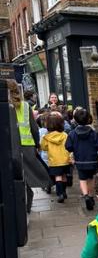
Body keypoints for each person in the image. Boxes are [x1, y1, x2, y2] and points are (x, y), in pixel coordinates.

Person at [8, 79, 50, 214]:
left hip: (11, 147)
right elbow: (34, 128)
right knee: (26, 175)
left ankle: (21, 204)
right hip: (27, 146)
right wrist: (37, 144)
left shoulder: (6, 107)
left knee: (15, 176)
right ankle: (26, 203)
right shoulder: (26, 106)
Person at [66, 106, 98, 211]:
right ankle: (90, 196)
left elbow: (68, 147)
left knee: (82, 179)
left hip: (80, 161)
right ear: (88, 119)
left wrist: (74, 149)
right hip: (93, 160)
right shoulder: (94, 134)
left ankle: (85, 195)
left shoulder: (72, 134)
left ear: (75, 120)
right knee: (91, 178)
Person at [40, 112, 71, 203]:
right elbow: (68, 146)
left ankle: (60, 194)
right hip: (65, 160)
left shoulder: (46, 137)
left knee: (58, 177)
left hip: (54, 161)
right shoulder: (65, 135)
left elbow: (43, 147)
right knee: (64, 176)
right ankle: (64, 192)